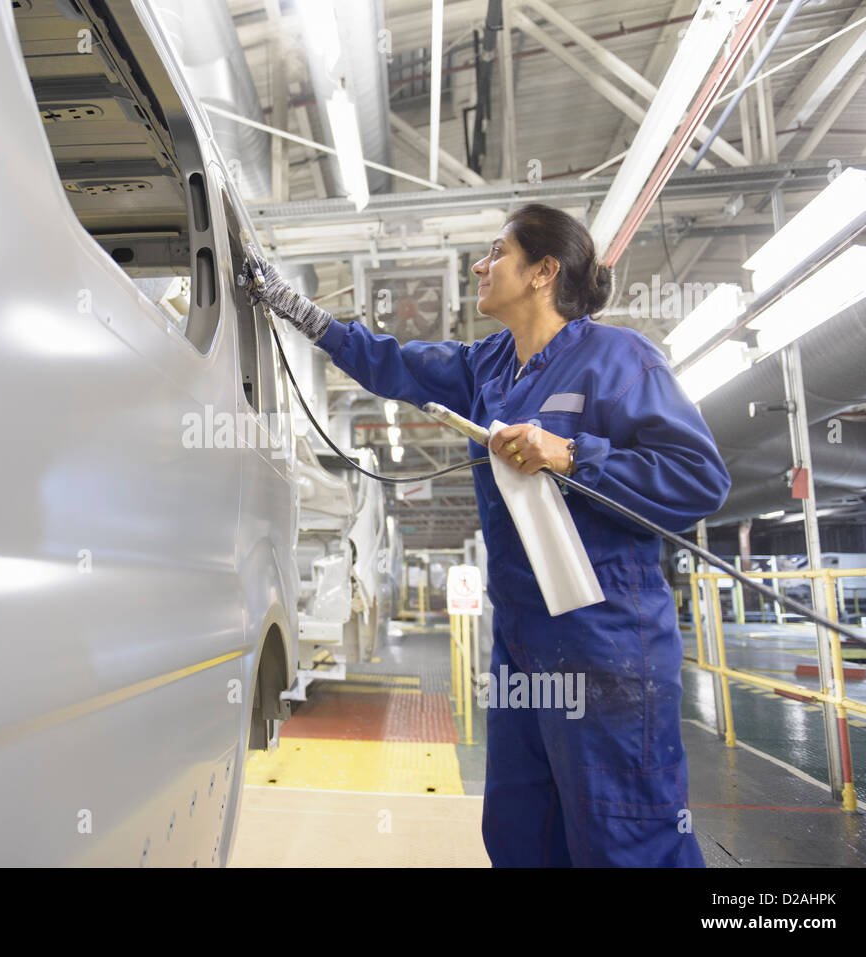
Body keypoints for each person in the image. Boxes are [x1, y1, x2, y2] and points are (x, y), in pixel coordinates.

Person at [243, 203, 731, 867]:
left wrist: (572, 454)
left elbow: (699, 478)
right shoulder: (487, 367)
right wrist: (290, 306)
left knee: (624, 837)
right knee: (521, 830)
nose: (481, 264)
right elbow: (387, 362)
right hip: (521, 640)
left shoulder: (619, 360)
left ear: (542, 271)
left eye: (498, 251)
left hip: (606, 642)